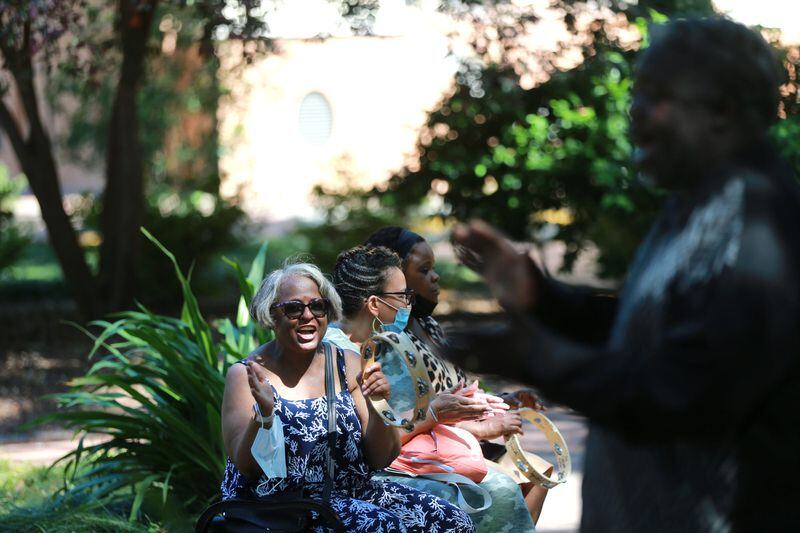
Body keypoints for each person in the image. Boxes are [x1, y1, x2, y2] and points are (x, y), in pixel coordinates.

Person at [449, 18, 800, 532]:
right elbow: (654, 332)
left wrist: (537, 358)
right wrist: (544, 299)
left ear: (721, 110)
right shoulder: (698, 203)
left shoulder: (759, 226)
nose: (634, 112)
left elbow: (679, 392)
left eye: (656, 96)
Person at [220, 261, 475, 532]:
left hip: (353, 491)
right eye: (293, 308)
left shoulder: (348, 364)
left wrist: (379, 405)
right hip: (281, 505)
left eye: (318, 306)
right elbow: (244, 465)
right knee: (381, 526)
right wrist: (264, 416)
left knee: (452, 521)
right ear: (271, 315)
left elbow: (380, 458)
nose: (308, 315)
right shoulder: (248, 373)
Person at [326, 245, 538, 531]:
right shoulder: (340, 354)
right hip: (365, 475)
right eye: (402, 296)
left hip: (399, 459)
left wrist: (464, 408)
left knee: (509, 483)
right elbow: (371, 446)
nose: (408, 304)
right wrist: (436, 413)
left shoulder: (381, 341)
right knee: (497, 492)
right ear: (374, 304)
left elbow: (398, 420)